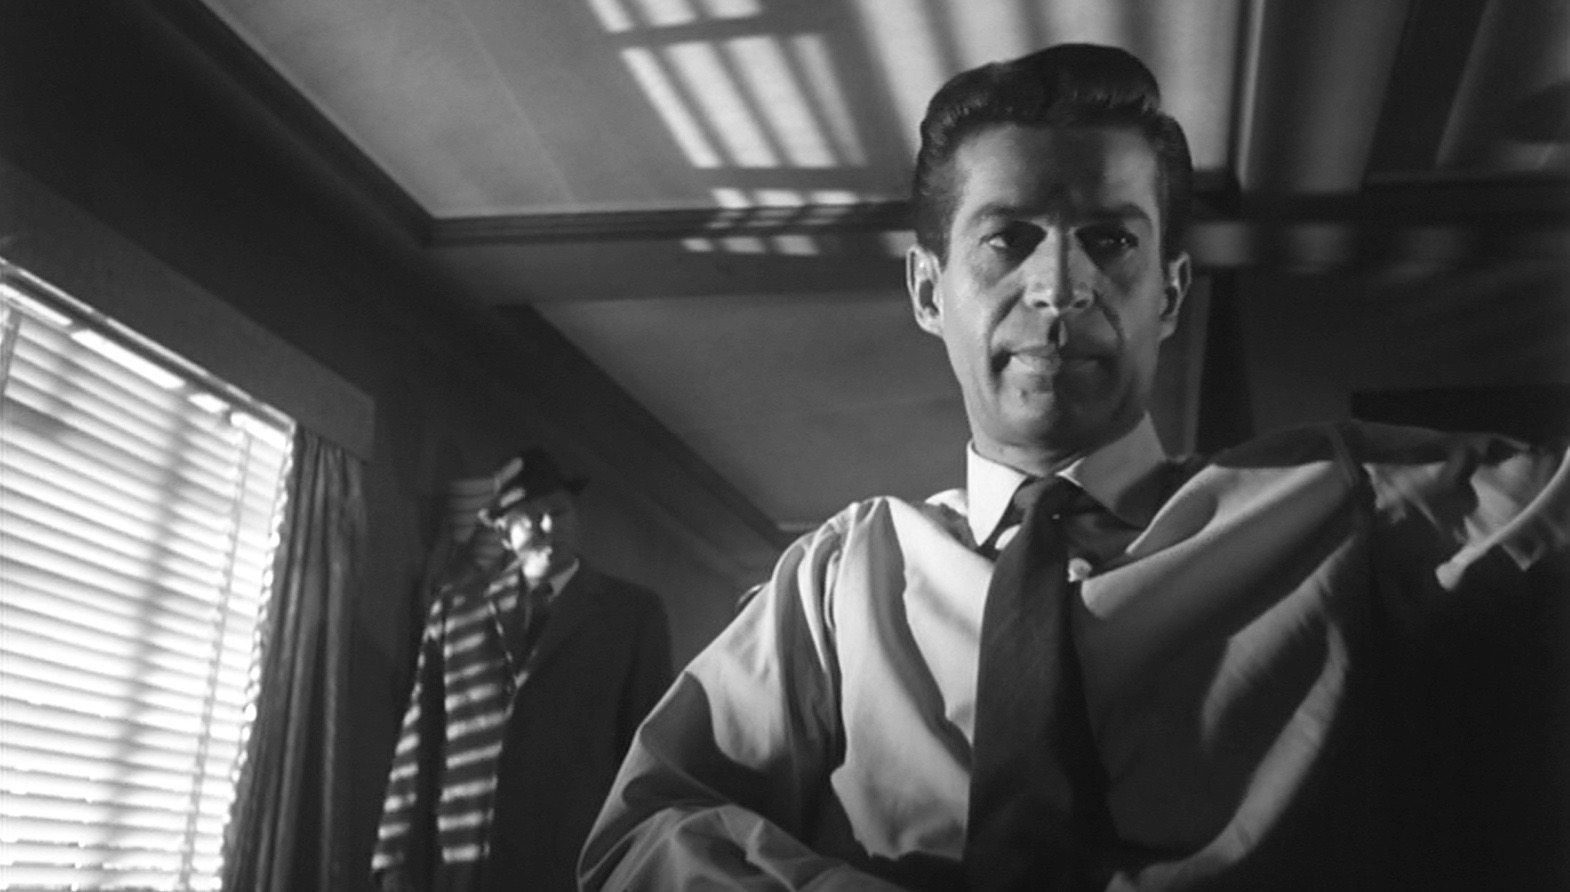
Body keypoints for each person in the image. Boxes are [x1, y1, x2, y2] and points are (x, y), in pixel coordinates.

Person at [578, 44, 1570, 890]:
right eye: (1006, 240)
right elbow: (638, 837)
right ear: (927, 290)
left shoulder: (1343, 498)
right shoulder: (839, 579)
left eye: (1110, 240)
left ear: (1169, 293)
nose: (1059, 287)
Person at [373, 447, 673, 892]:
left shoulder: (632, 614)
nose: (549, 526)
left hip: (570, 864)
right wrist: (394, 859)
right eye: (531, 518)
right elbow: (421, 738)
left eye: (559, 512)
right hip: (463, 864)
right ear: (503, 531)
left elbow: (646, 752)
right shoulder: (456, 610)